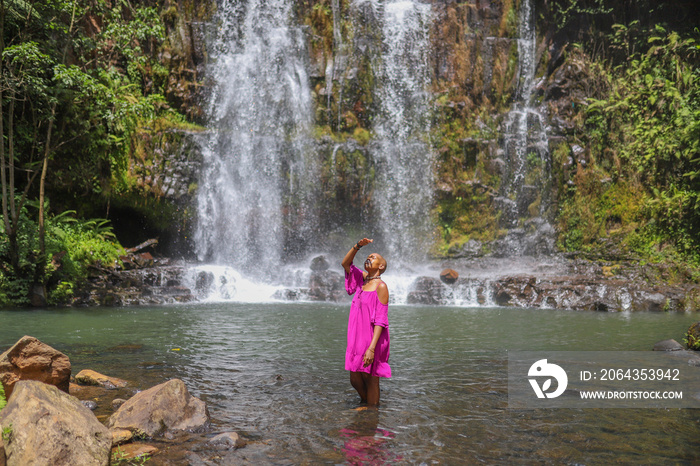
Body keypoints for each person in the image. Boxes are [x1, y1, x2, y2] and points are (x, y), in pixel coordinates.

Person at [341, 237, 391, 406]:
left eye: (374, 257)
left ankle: (371, 413)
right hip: (356, 336)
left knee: (371, 378)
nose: (369, 258)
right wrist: (357, 246)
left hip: (371, 338)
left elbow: (381, 320)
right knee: (355, 378)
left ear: (381, 266)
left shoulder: (381, 286)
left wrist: (372, 348)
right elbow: (345, 264)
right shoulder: (362, 280)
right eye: (368, 256)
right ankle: (367, 405)